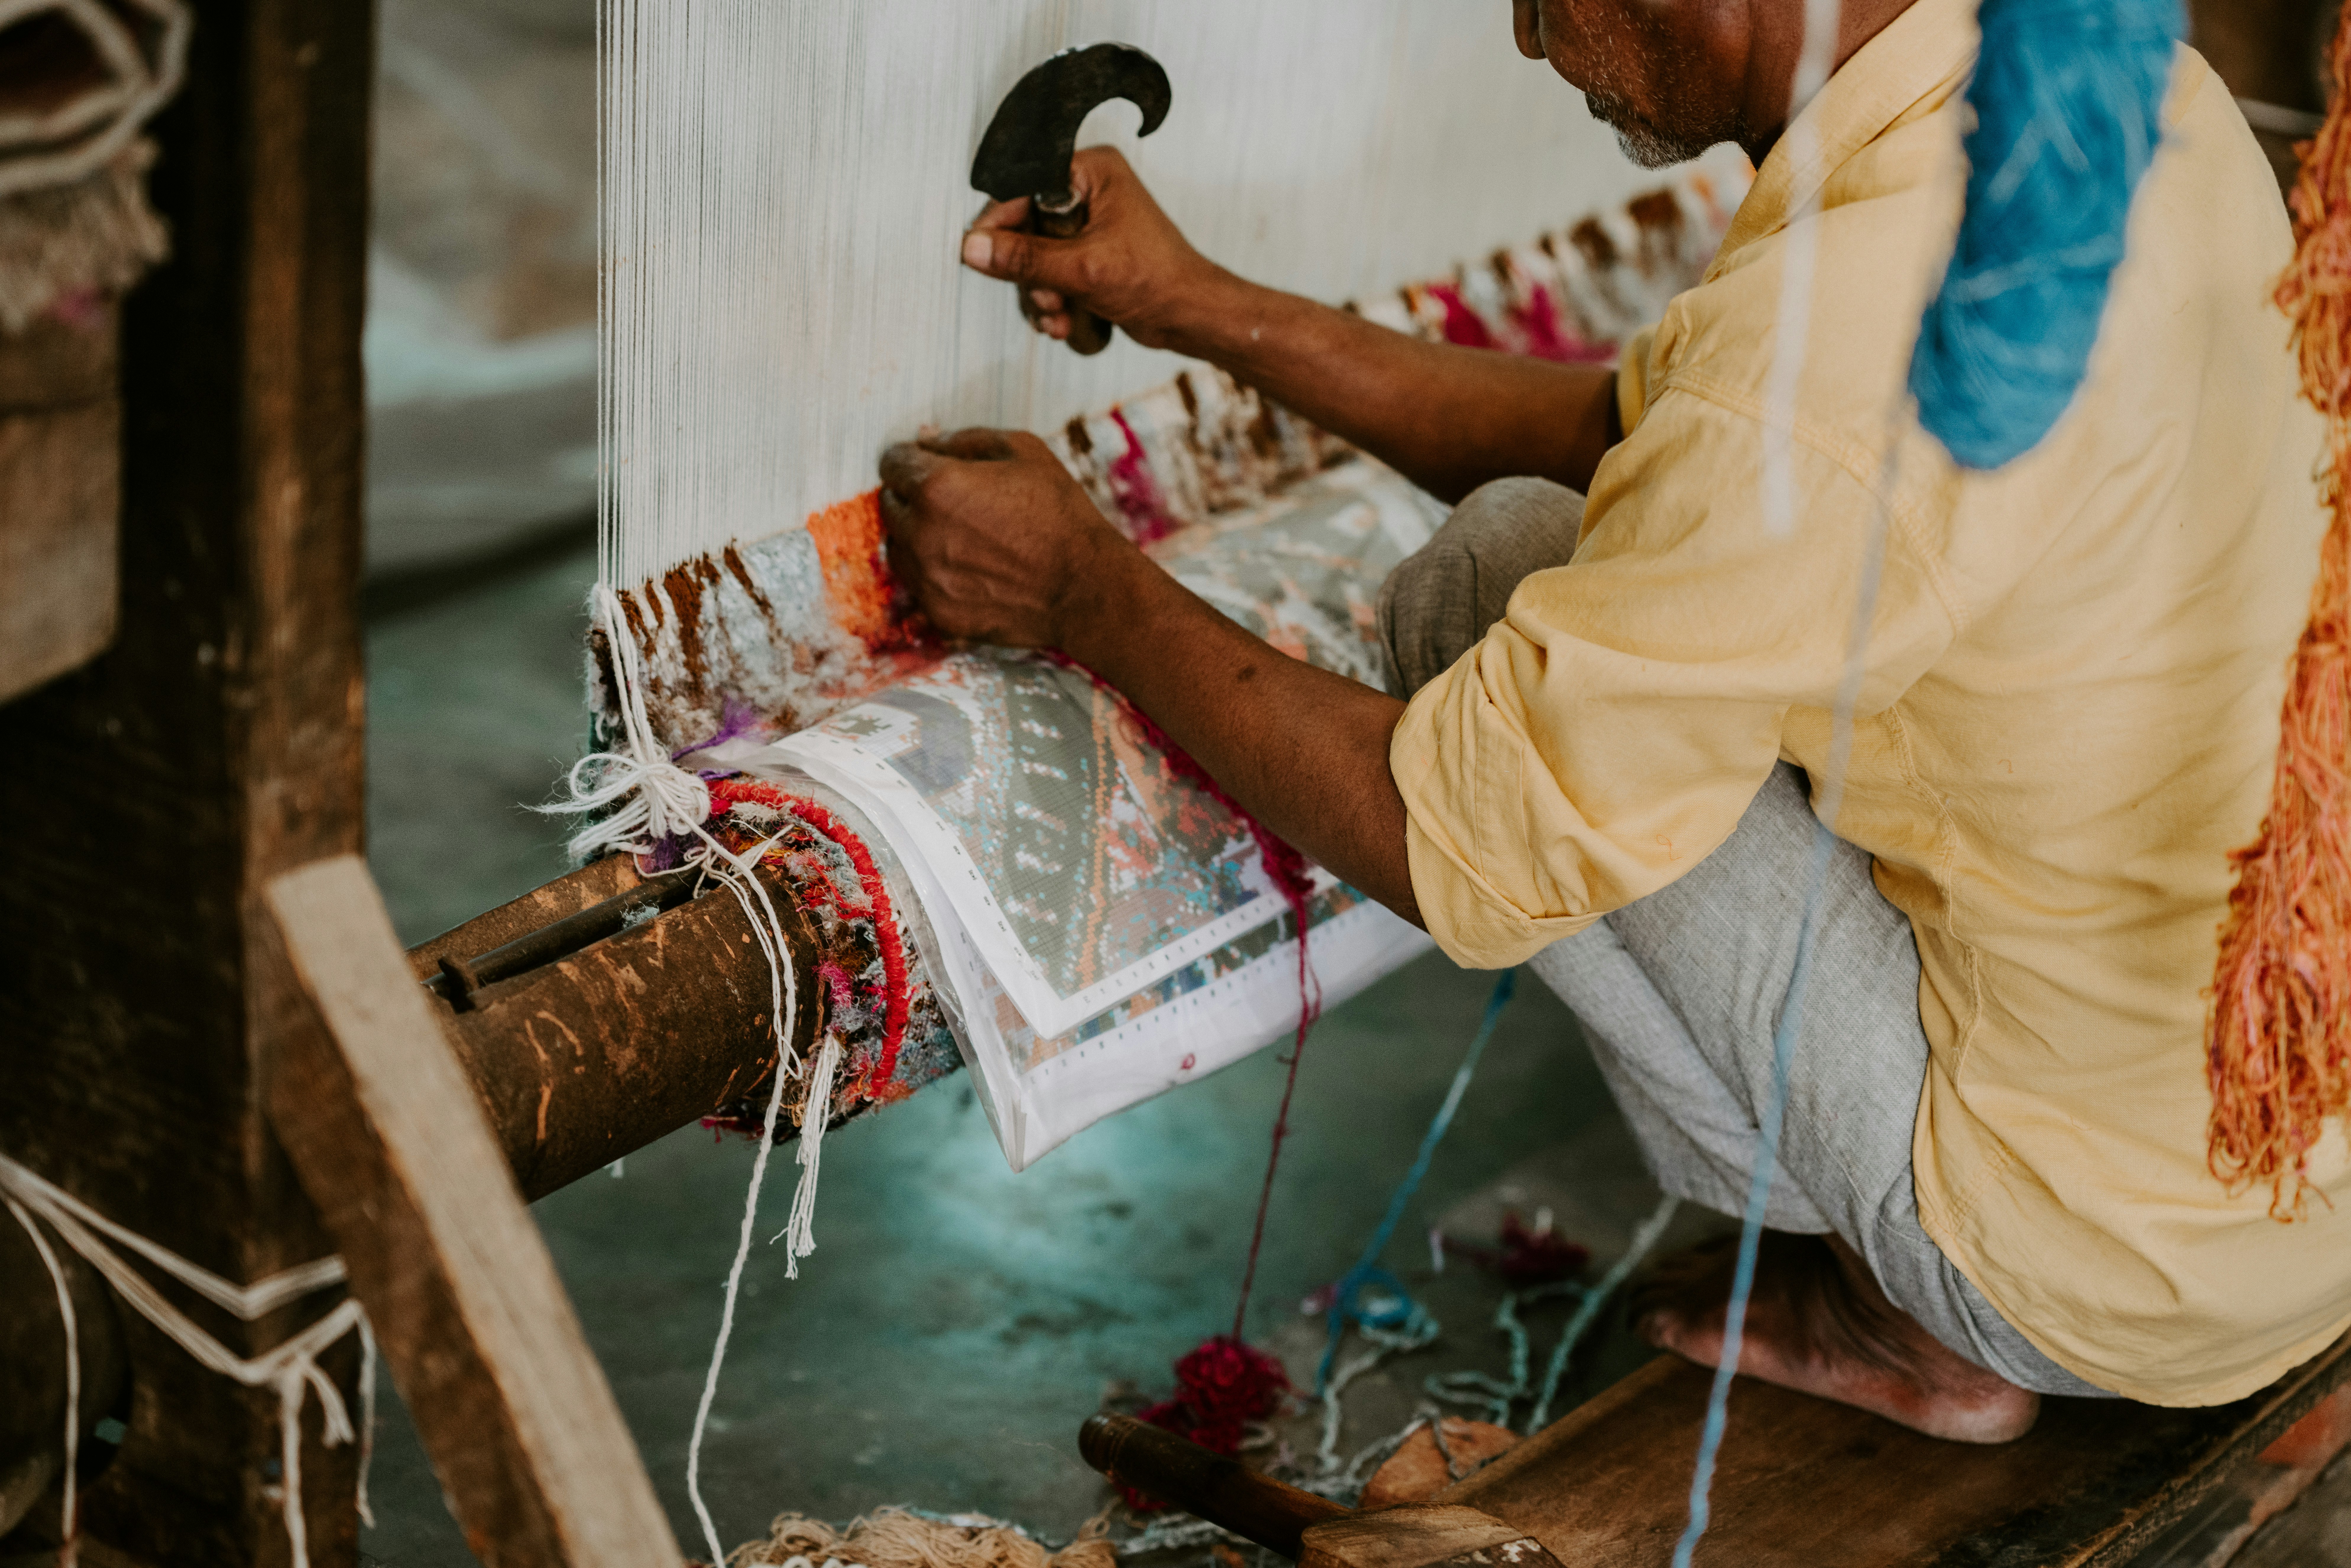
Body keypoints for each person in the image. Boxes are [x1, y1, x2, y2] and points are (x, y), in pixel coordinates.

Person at [877, 0, 2351, 1440]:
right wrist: (1197, 303)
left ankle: (1920, 1307)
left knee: (1490, 577)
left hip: (2098, 1271)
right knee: (1602, 556)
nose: (1527, 39)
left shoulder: (1831, 338)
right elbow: (1642, 439)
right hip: (2295, 1189)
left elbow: (1455, 834)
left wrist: (1082, 590)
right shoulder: (2108, 89)